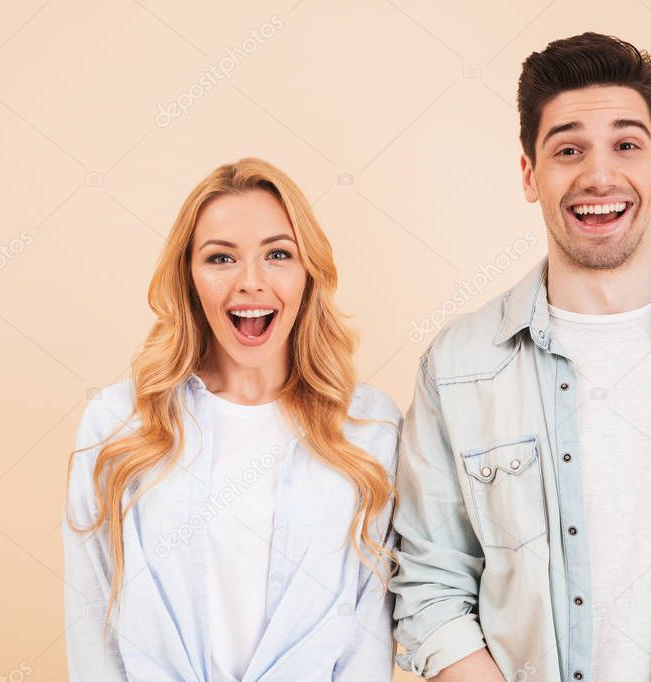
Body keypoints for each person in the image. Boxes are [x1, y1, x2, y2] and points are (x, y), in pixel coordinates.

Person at [390, 32, 651, 682]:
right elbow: (430, 587)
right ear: (528, 175)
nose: (597, 175)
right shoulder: (458, 364)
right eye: (567, 149)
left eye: (626, 145)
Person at [63, 157, 401, 681]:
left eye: (278, 254)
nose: (250, 282)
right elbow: (92, 625)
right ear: (189, 276)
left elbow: (367, 635)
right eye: (221, 258)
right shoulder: (118, 422)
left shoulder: (370, 426)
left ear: (308, 272)